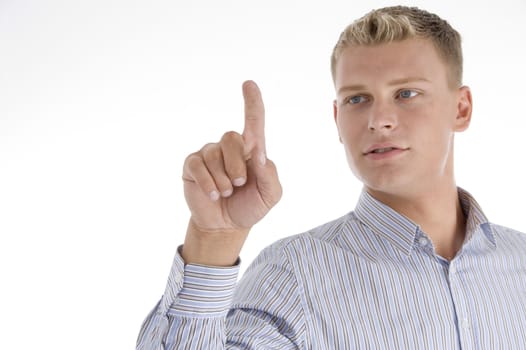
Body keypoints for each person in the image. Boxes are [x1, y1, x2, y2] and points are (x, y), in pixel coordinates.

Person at [137, 6, 526, 349]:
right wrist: (213, 240)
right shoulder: (293, 277)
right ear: (338, 120)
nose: (379, 120)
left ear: (461, 109)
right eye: (357, 99)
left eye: (406, 93)